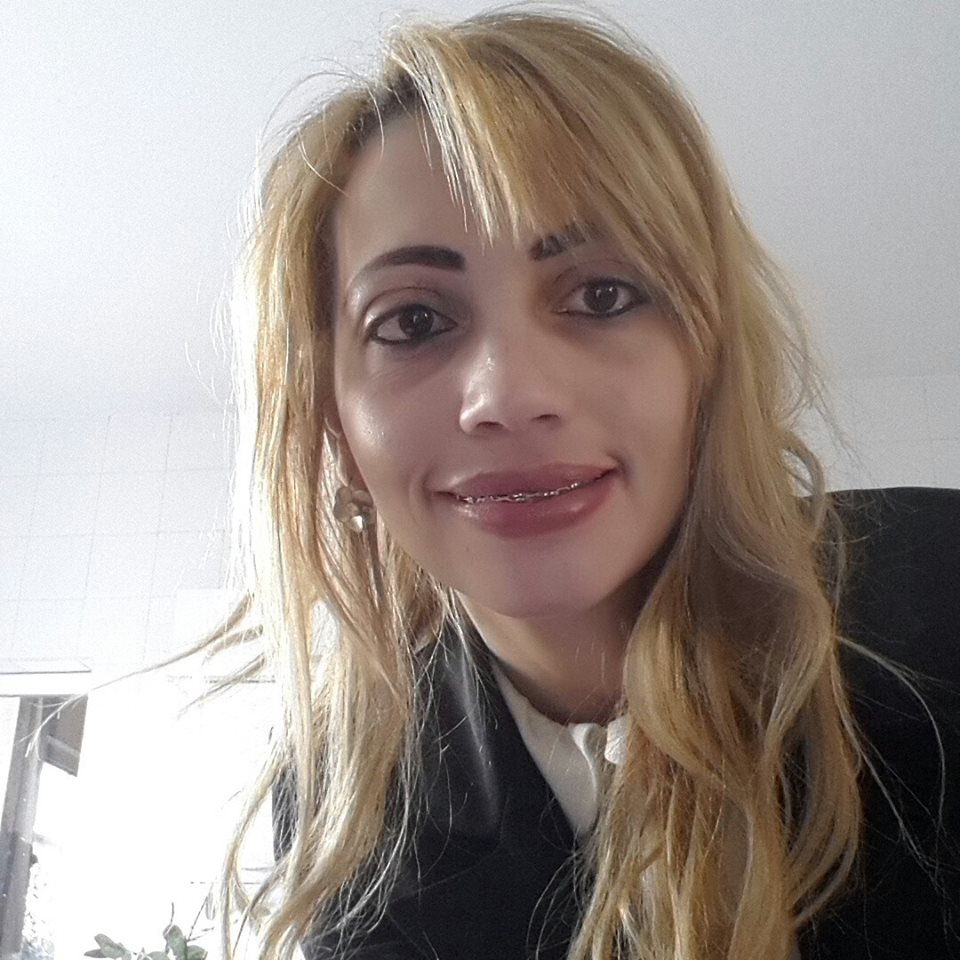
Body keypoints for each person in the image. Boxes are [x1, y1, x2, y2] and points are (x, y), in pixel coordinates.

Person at [208, 5, 960, 959]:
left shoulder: (939, 599)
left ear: (709, 361)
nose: (509, 396)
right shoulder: (338, 808)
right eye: (412, 322)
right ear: (335, 424)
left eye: (603, 295)